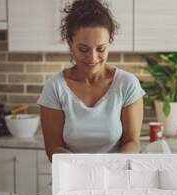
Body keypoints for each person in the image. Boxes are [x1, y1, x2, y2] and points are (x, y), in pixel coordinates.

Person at [37, 0, 146, 162]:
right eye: (83, 49)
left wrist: (111, 166)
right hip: (71, 179)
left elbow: (132, 142)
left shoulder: (127, 84)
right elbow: (53, 147)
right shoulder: (55, 88)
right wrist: (84, 169)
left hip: (116, 177)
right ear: (70, 44)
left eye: (101, 49)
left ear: (110, 42)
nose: (93, 58)